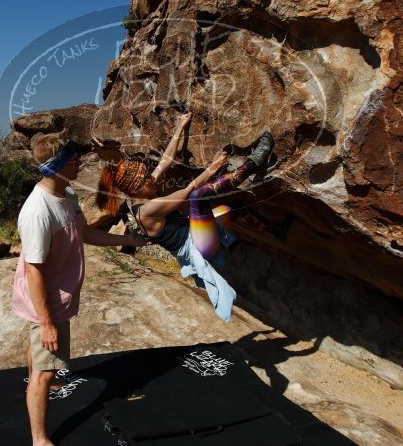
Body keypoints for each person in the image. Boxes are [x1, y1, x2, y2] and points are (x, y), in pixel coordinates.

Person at [12, 134, 148, 446]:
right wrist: (46, 323)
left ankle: (39, 381)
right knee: (47, 372)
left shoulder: (66, 193)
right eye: (73, 159)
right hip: (46, 301)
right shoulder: (38, 213)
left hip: (55, 295)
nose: (80, 163)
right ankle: (40, 444)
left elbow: (84, 233)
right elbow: (34, 272)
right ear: (57, 166)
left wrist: (126, 239)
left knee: (40, 364)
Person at [95, 112, 274, 322]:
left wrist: (180, 126)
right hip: (197, 247)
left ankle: (276, 227)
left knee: (231, 208)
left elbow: (166, 160)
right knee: (199, 197)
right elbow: (189, 191)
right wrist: (212, 169)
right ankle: (256, 161)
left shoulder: (142, 194)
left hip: (201, 234)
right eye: (145, 179)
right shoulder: (146, 211)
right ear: (135, 190)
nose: (151, 179)